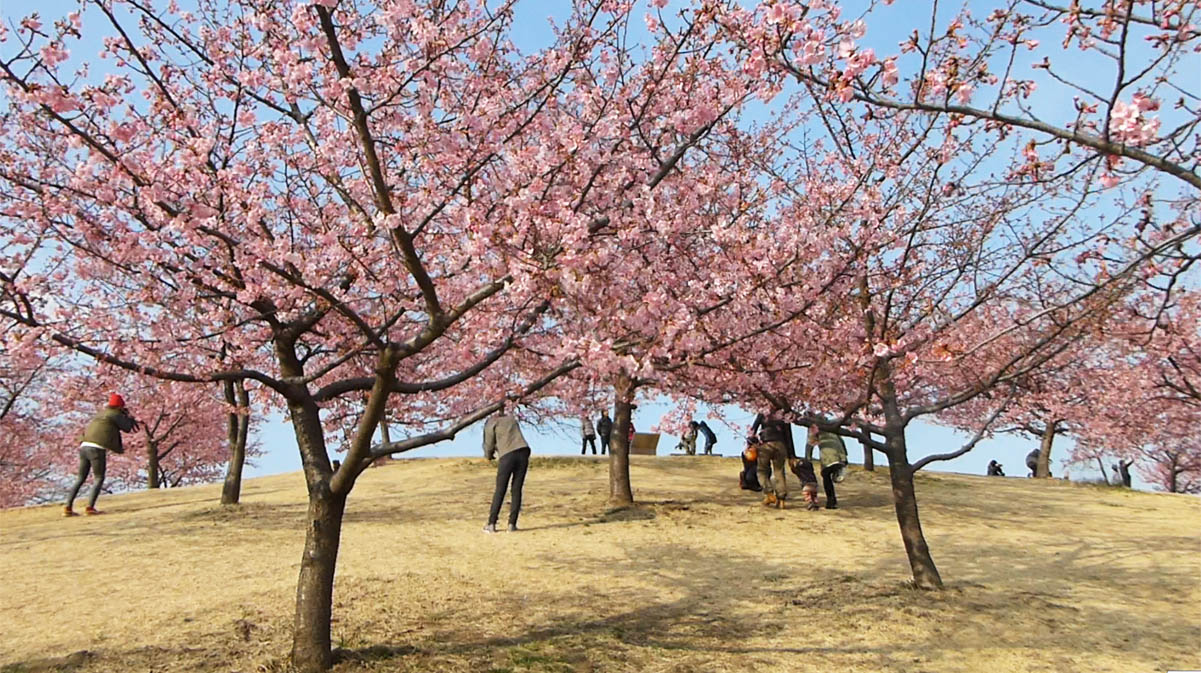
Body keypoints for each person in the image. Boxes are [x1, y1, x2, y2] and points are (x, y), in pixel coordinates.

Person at [64, 393, 139, 517]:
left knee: (80, 478)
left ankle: (68, 507)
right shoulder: (115, 414)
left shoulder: (100, 414)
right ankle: (90, 507)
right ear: (120, 406)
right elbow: (127, 428)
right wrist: (129, 418)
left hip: (84, 446)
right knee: (99, 477)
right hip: (97, 448)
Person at [483, 404, 531, 533]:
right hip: (523, 450)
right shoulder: (511, 418)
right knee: (516, 489)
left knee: (500, 489)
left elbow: (488, 443)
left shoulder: (491, 422)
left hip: (507, 455)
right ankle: (512, 524)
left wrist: (488, 455)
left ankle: (491, 524)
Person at [750, 410, 795, 508]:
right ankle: (781, 499)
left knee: (761, 471)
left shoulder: (762, 412)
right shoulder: (784, 414)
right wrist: (792, 455)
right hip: (781, 445)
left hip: (766, 444)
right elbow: (788, 436)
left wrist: (751, 443)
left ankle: (769, 494)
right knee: (779, 471)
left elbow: (752, 431)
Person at [810, 425, 848, 510]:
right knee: (833, 474)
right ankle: (838, 474)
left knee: (826, 478)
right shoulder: (833, 429)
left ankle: (831, 501)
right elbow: (842, 442)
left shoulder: (815, 430)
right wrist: (844, 457)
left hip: (827, 459)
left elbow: (810, 444)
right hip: (839, 457)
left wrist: (808, 458)